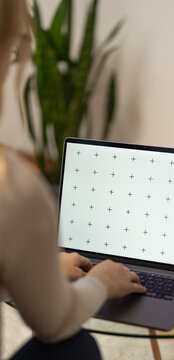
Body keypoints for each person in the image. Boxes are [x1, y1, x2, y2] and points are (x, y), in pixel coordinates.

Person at [0, 1, 146, 359]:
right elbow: (54, 322)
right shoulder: (12, 188)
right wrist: (102, 283)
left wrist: (37, 271)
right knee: (76, 346)